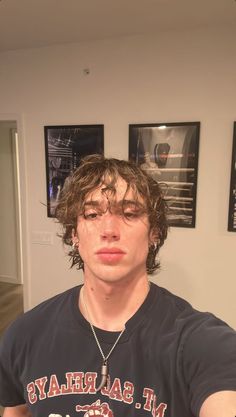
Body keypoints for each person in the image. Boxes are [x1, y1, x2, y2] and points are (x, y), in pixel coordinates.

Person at [0, 154, 236, 417]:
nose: (109, 229)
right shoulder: (24, 335)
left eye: (129, 213)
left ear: (154, 233)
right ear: (74, 234)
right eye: (91, 214)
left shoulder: (202, 343)